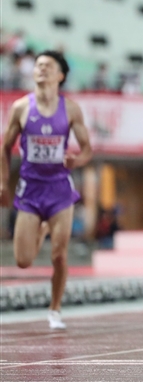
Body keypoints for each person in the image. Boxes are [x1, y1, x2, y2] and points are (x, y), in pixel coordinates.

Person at [0, 50, 93, 329]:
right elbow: (5, 148)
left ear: (60, 75)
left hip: (60, 190)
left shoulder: (71, 109)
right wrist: (4, 183)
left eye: (48, 66)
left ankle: (55, 310)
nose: (41, 69)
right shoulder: (20, 108)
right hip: (30, 190)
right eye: (38, 65)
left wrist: (78, 159)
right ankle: (41, 229)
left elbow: (88, 149)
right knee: (24, 260)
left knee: (59, 254)